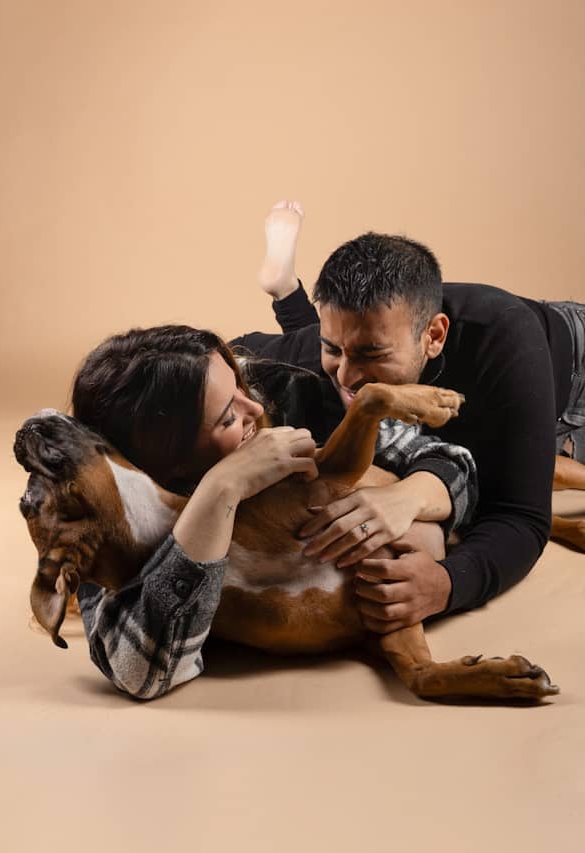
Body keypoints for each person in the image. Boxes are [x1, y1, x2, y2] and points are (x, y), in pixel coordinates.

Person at [72, 323, 477, 699]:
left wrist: (411, 501)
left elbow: (450, 457)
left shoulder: (277, 388)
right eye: (228, 417)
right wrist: (222, 487)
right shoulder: (122, 531)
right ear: (173, 465)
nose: (253, 409)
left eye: (240, 388)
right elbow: (137, 670)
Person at [232, 200, 581, 633]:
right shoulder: (346, 339)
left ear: (434, 336)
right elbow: (239, 355)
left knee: (500, 478)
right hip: (434, 390)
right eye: (332, 349)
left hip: (569, 377)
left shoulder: (504, 336)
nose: (347, 373)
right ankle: (287, 291)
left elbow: (522, 517)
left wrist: (448, 584)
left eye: (370, 354)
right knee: (314, 380)